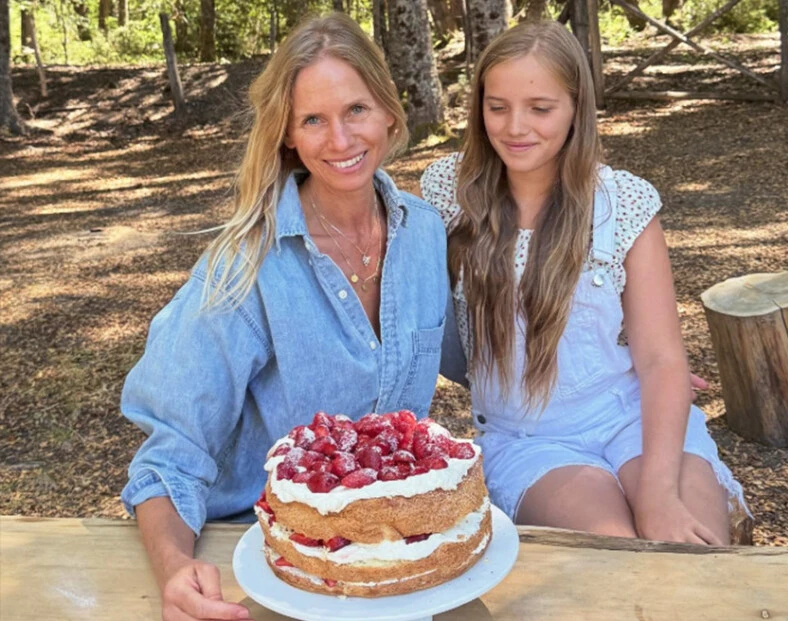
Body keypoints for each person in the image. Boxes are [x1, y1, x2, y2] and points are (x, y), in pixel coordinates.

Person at [120, 14, 448, 621]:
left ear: (388, 114)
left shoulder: (426, 235)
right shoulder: (244, 266)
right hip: (266, 559)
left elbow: (485, 361)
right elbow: (171, 455)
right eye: (313, 120)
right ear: (288, 136)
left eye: (355, 110)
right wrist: (174, 568)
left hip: (397, 555)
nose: (341, 140)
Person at [422, 20, 748, 546]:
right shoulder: (448, 194)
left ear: (577, 107)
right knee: (617, 553)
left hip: (630, 417)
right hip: (530, 439)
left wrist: (660, 494)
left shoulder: (623, 204)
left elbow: (662, 359)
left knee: (691, 549)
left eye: (540, 108)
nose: (515, 127)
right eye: (497, 106)